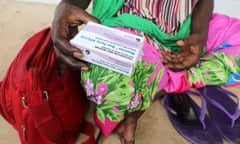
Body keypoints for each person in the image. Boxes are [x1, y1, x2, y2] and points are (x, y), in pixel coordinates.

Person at [51, 0, 214, 143]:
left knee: (227, 55)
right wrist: (66, 5)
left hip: (171, 39)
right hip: (118, 24)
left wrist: (200, 33)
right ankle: (136, 109)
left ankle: (134, 111)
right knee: (116, 80)